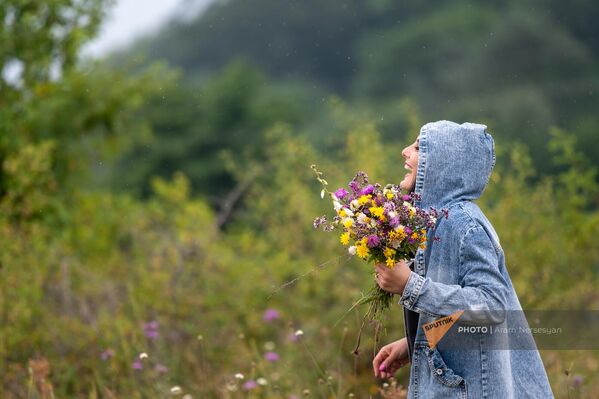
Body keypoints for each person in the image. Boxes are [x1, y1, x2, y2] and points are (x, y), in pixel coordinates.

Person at [371, 121, 554, 398]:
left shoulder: (461, 224)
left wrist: (411, 286)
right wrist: (416, 343)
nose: (404, 152)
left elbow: (492, 307)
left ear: (444, 162)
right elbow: (466, 312)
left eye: (419, 147)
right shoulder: (439, 222)